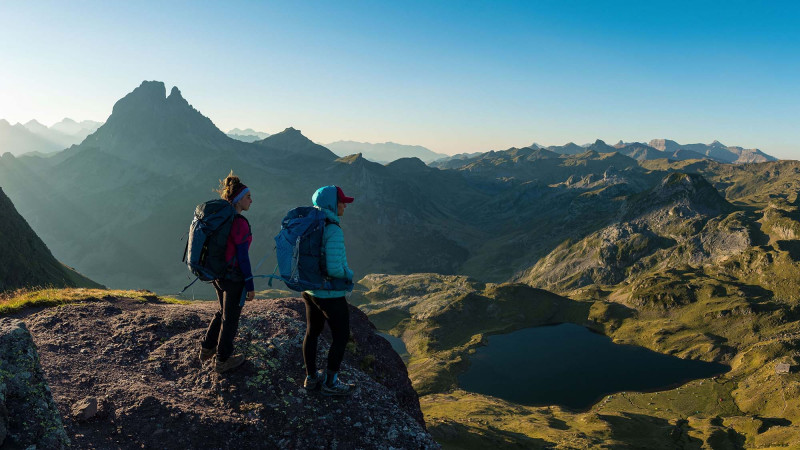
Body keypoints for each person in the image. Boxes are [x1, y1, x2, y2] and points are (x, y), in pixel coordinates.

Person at [302, 185, 356, 396]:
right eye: (342, 202)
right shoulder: (332, 228)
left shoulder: (310, 224)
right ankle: (331, 382)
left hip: (309, 290)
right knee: (341, 336)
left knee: (312, 332)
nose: (344, 205)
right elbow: (334, 269)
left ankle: (311, 378)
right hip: (329, 293)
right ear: (333, 205)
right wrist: (349, 274)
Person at [199, 171, 255, 374]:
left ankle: (207, 348)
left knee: (222, 312)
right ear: (239, 200)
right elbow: (242, 257)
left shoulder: (222, 219)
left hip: (217, 273)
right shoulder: (239, 222)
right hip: (233, 277)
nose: (251, 200)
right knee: (231, 319)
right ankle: (223, 359)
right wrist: (249, 284)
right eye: (248, 197)